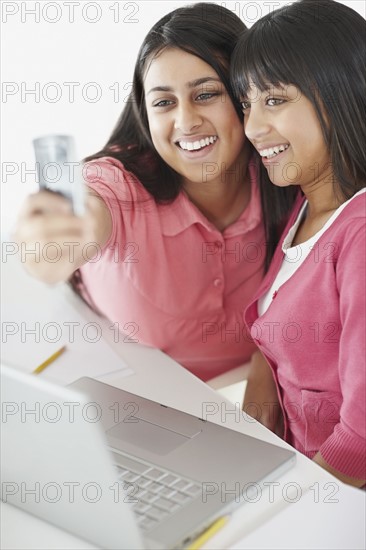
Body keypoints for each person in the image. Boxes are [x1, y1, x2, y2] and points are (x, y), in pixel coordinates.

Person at [14, 3, 295, 384]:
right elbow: (88, 205)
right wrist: (49, 244)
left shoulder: (283, 171)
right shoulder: (118, 185)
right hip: (138, 403)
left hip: (258, 403)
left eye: (206, 94)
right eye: (164, 102)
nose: (186, 121)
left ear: (247, 95)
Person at [231, 0, 366, 485]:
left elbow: (361, 440)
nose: (252, 128)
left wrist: (288, 513)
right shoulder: (306, 204)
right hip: (292, 470)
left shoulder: (360, 236)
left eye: (275, 99)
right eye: (247, 103)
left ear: (341, 90)